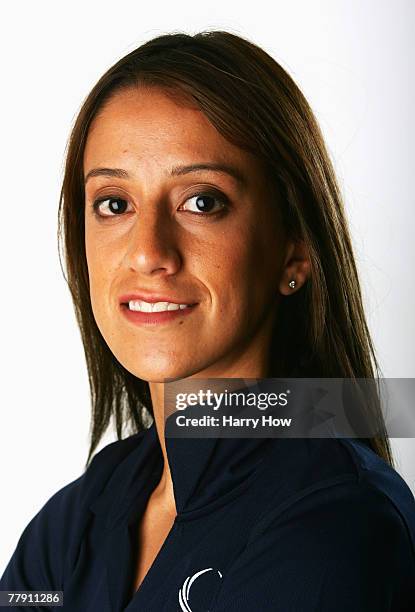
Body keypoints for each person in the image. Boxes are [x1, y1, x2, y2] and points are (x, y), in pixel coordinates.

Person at [1, 30, 414, 611]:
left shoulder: (338, 527)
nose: (148, 253)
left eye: (202, 201)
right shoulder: (74, 522)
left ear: (294, 250)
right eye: (114, 204)